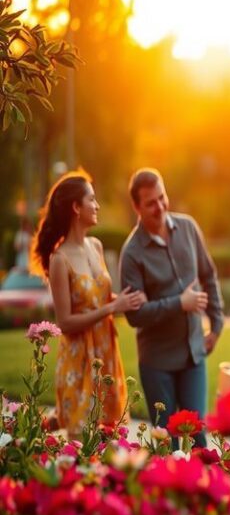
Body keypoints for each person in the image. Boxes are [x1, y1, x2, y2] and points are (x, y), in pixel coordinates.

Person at [31, 170, 146, 437]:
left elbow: (99, 299)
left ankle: (38, 430)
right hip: (79, 363)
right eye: (91, 199)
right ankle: (29, 436)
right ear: (75, 207)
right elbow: (65, 322)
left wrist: (126, 301)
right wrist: (110, 309)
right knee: (83, 449)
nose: (97, 205)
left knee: (112, 438)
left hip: (106, 356)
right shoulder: (60, 260)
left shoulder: (95, 246)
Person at [119, 168, 224, 448]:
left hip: (193, 356)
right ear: (137, 207)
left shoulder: (188, 227)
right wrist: (180, 303)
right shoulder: (132, 253)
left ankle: (203, 492)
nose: (160, 206)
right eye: (151, 202)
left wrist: (216, 324)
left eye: (162, 197)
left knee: (198, 437)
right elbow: (135, 315)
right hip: (157, 363)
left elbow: (209, 274)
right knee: (167, 444)